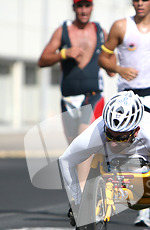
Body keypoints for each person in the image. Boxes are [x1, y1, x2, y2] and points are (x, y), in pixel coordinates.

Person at [59, 91, 150, 229]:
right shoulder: (98, 130)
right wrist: (76, 202)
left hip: (147, 179)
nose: (113, 143)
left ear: (136, 131)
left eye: (120, 137)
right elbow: (65, 160)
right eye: (110, 135)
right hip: (115, 172)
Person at [97, 0, 150, 226]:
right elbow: (103, 57)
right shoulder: (120, 26)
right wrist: (118, 68)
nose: (139, 3)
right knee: (123, 146)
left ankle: (145, 209)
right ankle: (122, 192)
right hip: (127, 95)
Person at [37, 0, 114, 143]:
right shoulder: (63, 31)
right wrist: (64, 54)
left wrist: (110, 56)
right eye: (80, 6)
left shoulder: (101, 32)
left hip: (92, 97)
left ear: (92, 7)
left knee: (85, 142)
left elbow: (112, 70)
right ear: (74, 7)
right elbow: (42, 60)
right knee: (73, 148)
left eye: (87, 6)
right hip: (68, 99)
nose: (84, 11)